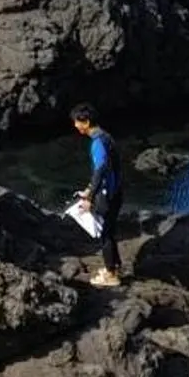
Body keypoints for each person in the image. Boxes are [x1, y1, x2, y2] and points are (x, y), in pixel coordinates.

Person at [70, 103, 125, 286]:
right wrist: (88, 188)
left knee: (105, 234)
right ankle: (115, 266)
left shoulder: (98, 142)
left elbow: (100, 169)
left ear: (85, 122)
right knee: (110, 230)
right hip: (116, 191)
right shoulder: (105, 136)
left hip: (108, 195)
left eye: (77, 122)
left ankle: (111, 275)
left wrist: (89, 198)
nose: (75, 126)